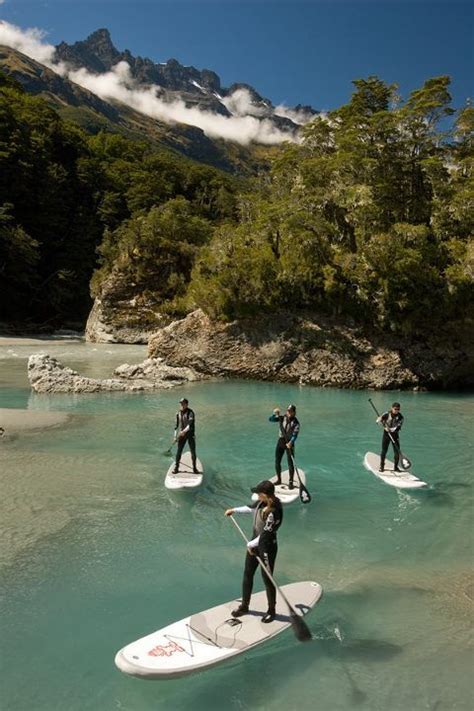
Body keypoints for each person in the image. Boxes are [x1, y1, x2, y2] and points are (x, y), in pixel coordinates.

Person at [225, 480, 283, 623]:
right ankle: (245, 606)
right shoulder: (261, 503)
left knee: (267, 579)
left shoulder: (275, 511)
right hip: (254, 544)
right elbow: (250, 508)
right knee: (248, 573)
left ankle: (271, 610)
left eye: (258, 493)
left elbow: (266, 535)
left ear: (264, 494)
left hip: (267, 547)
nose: (256, 496)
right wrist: (234, 510)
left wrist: (251, 544)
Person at [269, 404, 300, 488]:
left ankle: (290, 482)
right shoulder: (282, 418)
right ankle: (279, 480)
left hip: (289, 443)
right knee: (277, 461)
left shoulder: (296, 423)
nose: (289, 412)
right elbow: (270, 420)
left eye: (291, 411)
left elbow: (295, 435)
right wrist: (274, 414)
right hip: (281, 441)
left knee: (290, 463)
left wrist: (291, 442)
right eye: (288, 411)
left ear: (294, 412)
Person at [173, 398, 199, 473]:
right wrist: (175, 436)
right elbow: (176, 426)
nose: (181, 405)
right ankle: (176, 468)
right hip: (182, 435)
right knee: (179, 451)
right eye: (181, 403)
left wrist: (183, 431)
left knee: (193, 451)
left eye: (183, 403)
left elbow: (190, 425)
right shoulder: (178, 413)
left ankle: (194, 468)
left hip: (190, 434)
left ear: (187, 404)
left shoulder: (191, 413)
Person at [377, 402, 404, 472]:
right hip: (386, 435)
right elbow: (377, 422)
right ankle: (382, 466)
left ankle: (396, 467)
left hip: (395, 435)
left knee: (397, 452)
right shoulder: (386, 414)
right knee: (384, 451)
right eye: (395, 409)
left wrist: (390, 429)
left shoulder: (401, 417)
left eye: (398, 409)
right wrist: (379, 421)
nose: (397, 410)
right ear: (392, 408)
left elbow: (398, 427)